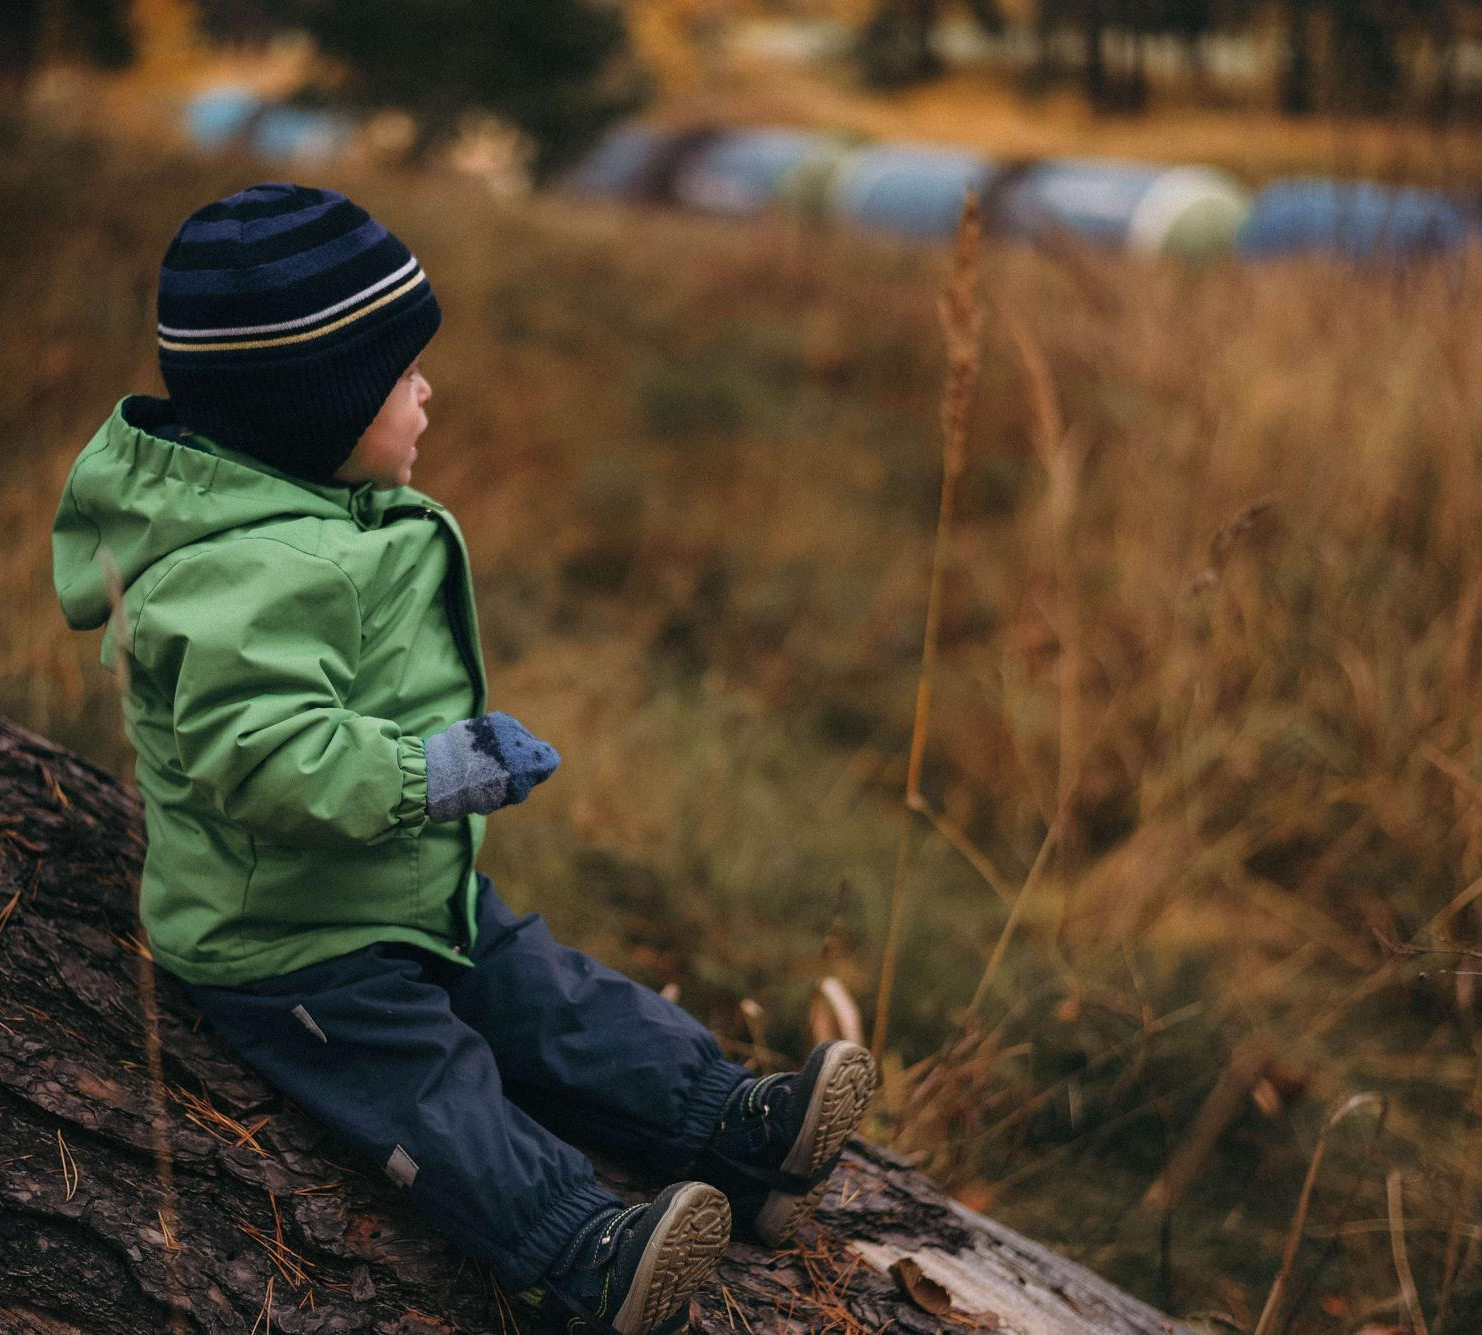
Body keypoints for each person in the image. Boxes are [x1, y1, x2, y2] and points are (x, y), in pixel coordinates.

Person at [50, 183, 876, 1335]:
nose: (426, 390)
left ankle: (733, 1130)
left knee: (549, 994)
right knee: (427, 1085)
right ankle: (575, 1253)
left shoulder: (321, 509)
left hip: (403, 886)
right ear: (315, 407)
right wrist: (431, 773)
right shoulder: (231, 574)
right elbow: (266, 758)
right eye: (400, 375)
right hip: (286, 945)